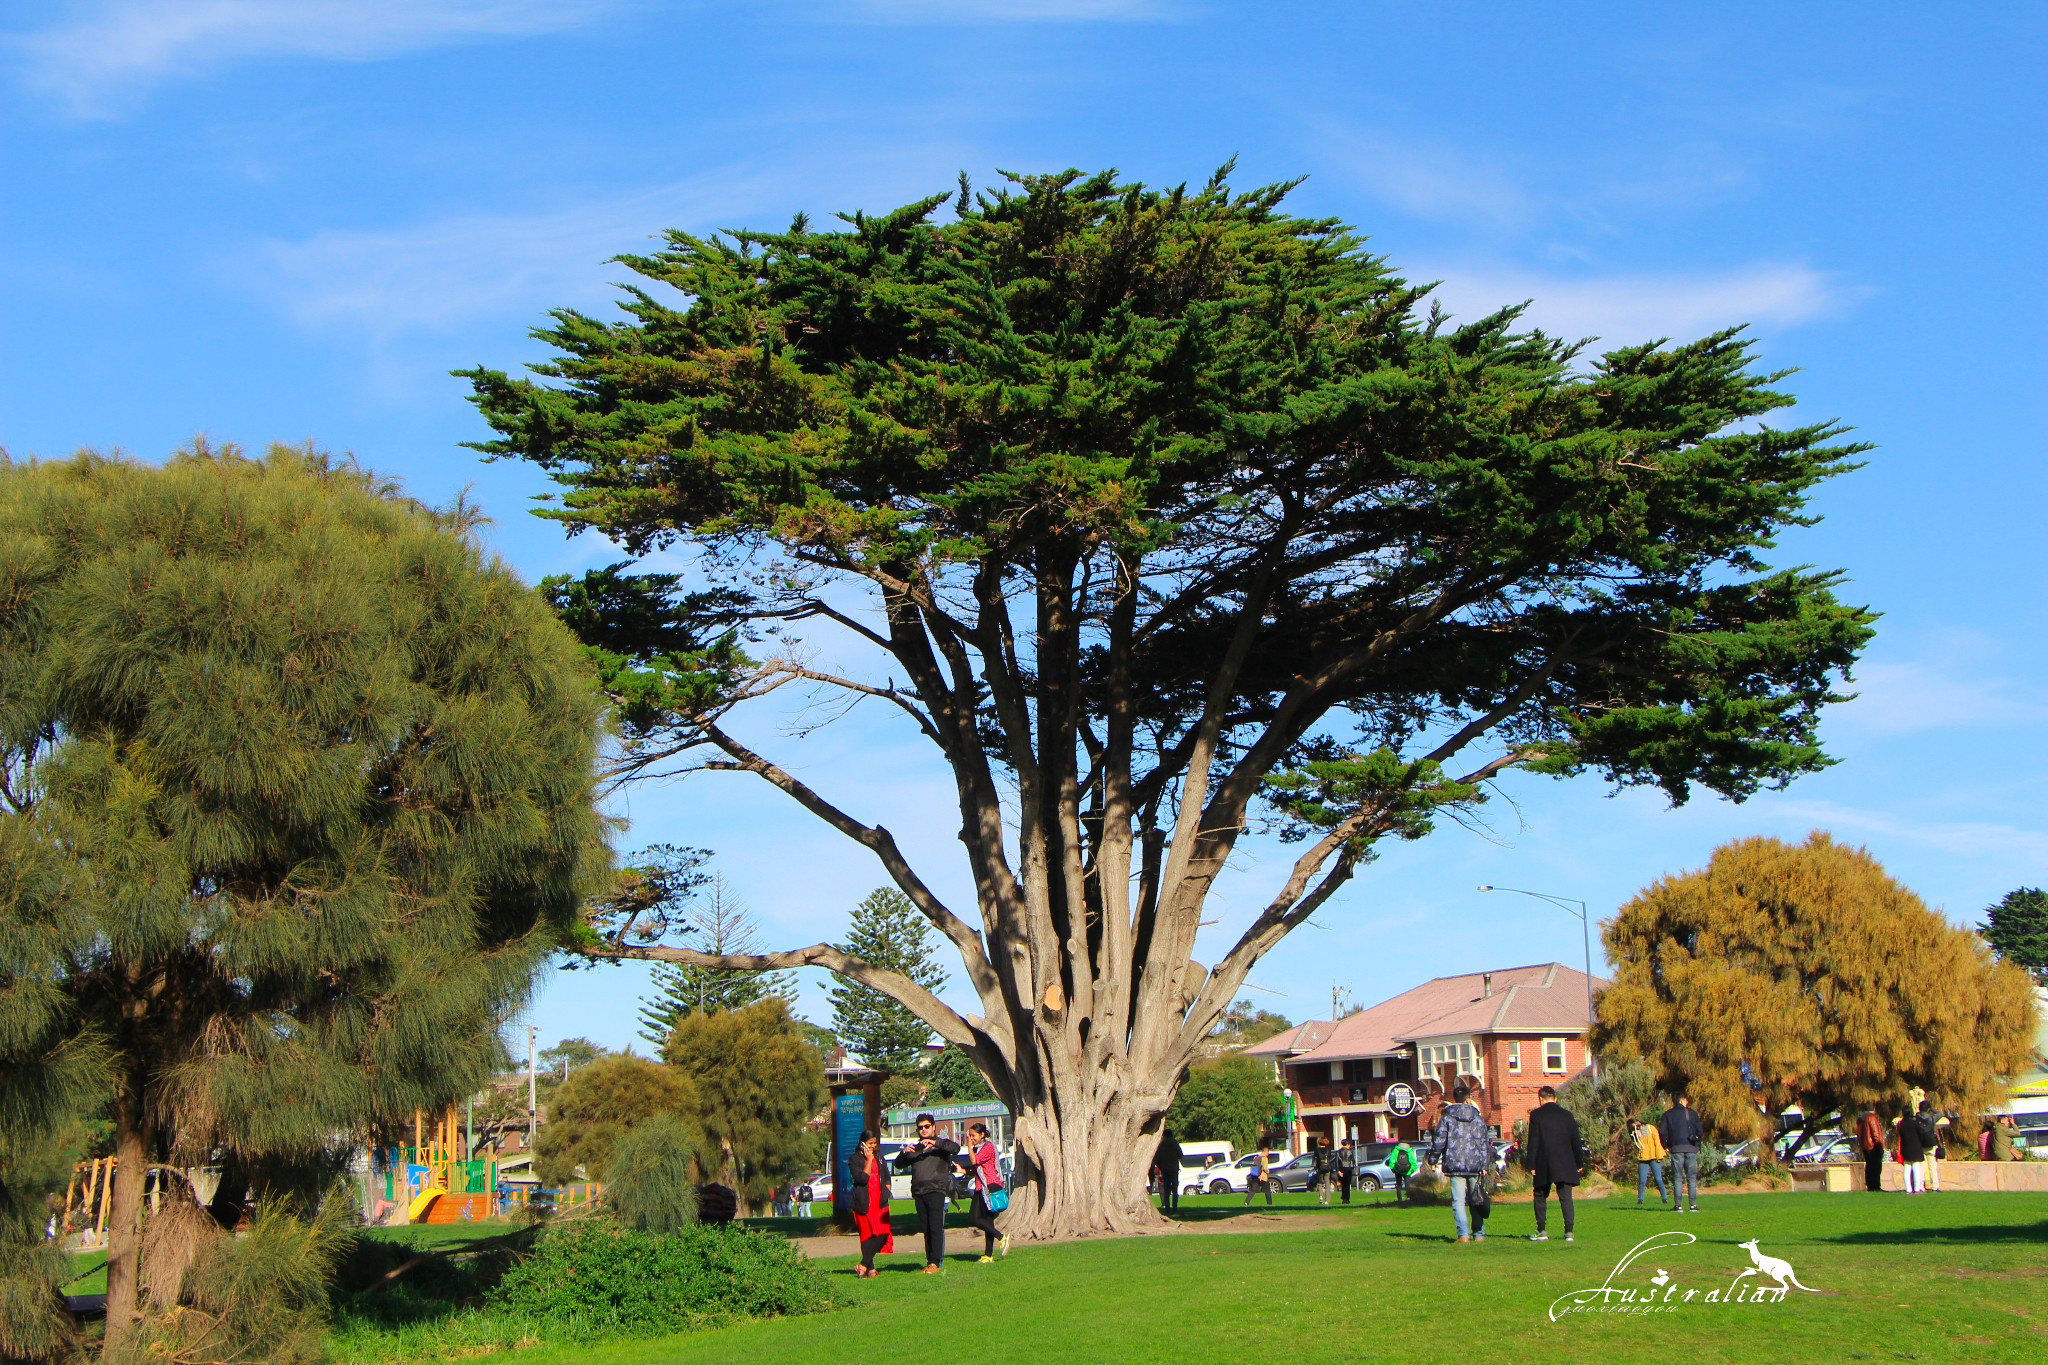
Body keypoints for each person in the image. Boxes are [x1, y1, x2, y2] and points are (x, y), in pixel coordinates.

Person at [892, 1114, 961, 1272]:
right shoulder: (916, 1147)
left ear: (933, 1127)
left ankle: (936, 1262)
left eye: (927, 1126)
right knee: (926, 1228)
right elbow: (898, 1164)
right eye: (920, 1127)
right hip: (919, 1191)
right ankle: (930, 1261)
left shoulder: (941, 1145)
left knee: (935, 1227)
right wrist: (904, 1152)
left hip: (936, 1189)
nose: (923, 1130)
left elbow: (955, 1148)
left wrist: (936, 1142)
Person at [1427, 1084, 1493, 1243]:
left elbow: (1439, 1140)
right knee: (1476, 1199)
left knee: (1458, 1201)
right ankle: (1479, 1234)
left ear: (1454, 1099)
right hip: (1475, 1164)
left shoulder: (1447, 1117)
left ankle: (1463, 1234)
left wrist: (1433, 1159)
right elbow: (1484, 1143)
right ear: (1468, 1099)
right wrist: (1485, 1165)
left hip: (1454, 1163)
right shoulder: (1478, 1118)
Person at [1524, 1085, 1585, 1242]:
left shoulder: (1536, 1115)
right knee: (1566, 1197)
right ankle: (1569, 1232)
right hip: (1565, 1161)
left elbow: (1533, 1141)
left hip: (1543, 1161)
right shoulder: (1567, 1115)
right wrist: (1579, 1161)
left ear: (1540, 1099)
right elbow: (1575, 1141)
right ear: (1555, 1099)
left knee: (1540, 1195)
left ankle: (1542, 1230)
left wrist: (1531, 1164)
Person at [848, 1131, 893, 1277]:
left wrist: (887, 1188)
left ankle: (863, 1264)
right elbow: (861, 1178)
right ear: (862, 1143)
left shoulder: (879, 1156)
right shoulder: (855, 1159)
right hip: (864, 1200)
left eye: (875, 1143)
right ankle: (870, 1268)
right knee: (867, 1234)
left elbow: (886, 1175)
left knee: (884, 1231)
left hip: (880, 1200)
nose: (873, 1146)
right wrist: (868, 1159)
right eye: (870, 1143)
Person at [963, 1120, 1008, 1263]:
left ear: (982, 1135)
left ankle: (1001, 1237)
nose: (971, 1138)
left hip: (989, 1185)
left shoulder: (988, 1147)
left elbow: (975, 1161)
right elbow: (976, 1169)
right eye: (969, 1136)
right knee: (988, 1221)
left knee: (974, 1218)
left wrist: (969, 1147)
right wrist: (961, 1170)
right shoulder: (979, 1148)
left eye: (973, 1135)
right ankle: (988, 1255)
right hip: (981, 1186)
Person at [1658, 1093, 1705, 1213]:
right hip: (1690, 1148)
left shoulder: (1668, 1114)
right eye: (1686, 1101)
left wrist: (1666, 1145)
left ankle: (1678, 1205)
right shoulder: (1692, 1114)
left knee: (1677, 1177)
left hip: (1676, 1149)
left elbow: (1662, 1132)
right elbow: (1700, 1131)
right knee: (1692, 1178)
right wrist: (1697, 1144)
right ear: (1682, 1100)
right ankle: (1693, 1205)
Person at [1630, 1117, 1668, 1207]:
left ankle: (1664, 1198)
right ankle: (1640, 1199)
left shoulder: (1650, 1128)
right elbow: (1639, 1146)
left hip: (1654, 1156)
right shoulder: (1635, 1134)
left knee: (1658, 1179)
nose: (1636, 1126)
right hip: (1643, 1158)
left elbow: (1657, 1142)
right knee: (1642, 1180)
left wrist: (1659, 1156)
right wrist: (1637, 1137)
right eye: (1633, 1125)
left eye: (1636, 1124)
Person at [1896, 1100, 1927, 1193]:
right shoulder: (1915, 1123)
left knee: (1907, 1167)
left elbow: (1900, 1135)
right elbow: (1921, 1134)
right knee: (1916, 1167)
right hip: (1916, 1147)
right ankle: (1917, 1188)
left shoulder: (1901, 1123)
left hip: (1905, 1147)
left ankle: (1908, 1188)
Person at [1857, 1103, 1887, 1192]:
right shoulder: (1871, 1117)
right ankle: (1876, 1186)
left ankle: (1870, 1186)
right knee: (1876, 1166)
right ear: (1874, 1109)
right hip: (1873, 1145)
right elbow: (1875, 1133)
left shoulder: (1861, 1118)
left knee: (1869, 1166)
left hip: (1865, 1145)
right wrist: (1879, 1144)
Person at [1914, 1101, 1943, 1192]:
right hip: (1931, 1144)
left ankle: (1921, 1186)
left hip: (1920, 1144)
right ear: (1928, 1109)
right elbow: (1940, 1113)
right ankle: (1935, 1186)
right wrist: (1932, 1108)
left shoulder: (1915, 1119)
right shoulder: (1932, 1118)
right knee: (1932, 1167)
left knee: (1921, 1166)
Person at [1154, 1127, 1183, 1213]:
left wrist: (1161, 1166)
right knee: (1175, 1190)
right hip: (1174, 1169)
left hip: (1165, 1170)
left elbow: (1157, 1158)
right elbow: (1180, 1155)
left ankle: (1167, 1207)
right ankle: (1175, 1207)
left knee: (1166, 1190)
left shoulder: (1161, 1145)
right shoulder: (1175, 1143)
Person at [1313, 1135, 1335, 1206]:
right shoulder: (1328, 1150)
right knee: (1327, 1183)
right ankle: (1327, 1200)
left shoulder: (1317, 1150)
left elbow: (1315, 1159)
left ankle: (1321, 1196)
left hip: (1320, 1168)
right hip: (1327, 1168)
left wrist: (1315, 1167)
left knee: (1320, 1183)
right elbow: (1329, 1158)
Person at [1336, 1136, 1358, 1204]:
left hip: (1342, 1169)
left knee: (1343, 1184)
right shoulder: (1350, 1151)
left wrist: (1338, 1170)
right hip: (1348, 1169)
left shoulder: (1338, 1152)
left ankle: (1343, 1197)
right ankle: (1347, 1199)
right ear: (1347, 1144)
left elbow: (1337, 1161)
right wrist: (1353, 1167)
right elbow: (1352, 1160)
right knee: (1347, 1185)